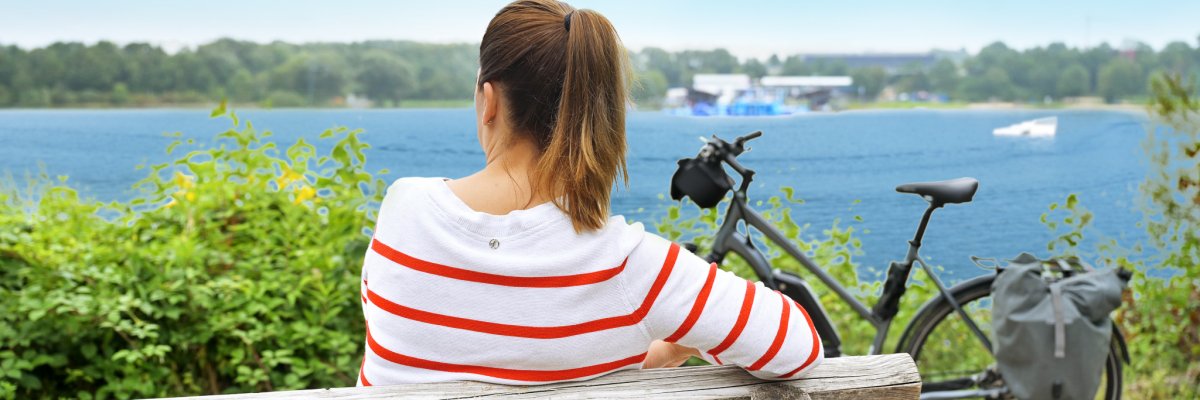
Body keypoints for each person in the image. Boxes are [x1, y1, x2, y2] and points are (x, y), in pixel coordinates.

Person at [356, 0, 822, 386]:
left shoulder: (404, 209)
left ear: (489, 99)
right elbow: (799, 346)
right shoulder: (628, 267)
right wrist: (670, 344)